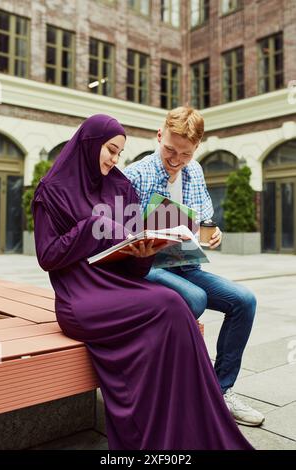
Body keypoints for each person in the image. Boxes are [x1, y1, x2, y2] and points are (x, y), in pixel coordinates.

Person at [32, 114, 253, 450]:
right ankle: (155, 427)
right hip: (79, 297)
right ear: (90, 144)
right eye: (110, 150)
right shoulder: (52, 191)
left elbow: (133, 267)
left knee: (177, 307)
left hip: (120, 284)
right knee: (172, 303)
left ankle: (194, 416)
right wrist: (89, 226)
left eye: (119, 153)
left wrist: (144, 251)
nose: (114, 159)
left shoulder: (118, 185)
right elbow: (48, 255)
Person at [123, 106, 265, 427]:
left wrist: (214, 234)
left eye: (184, 154)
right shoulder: (136, 174)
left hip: (186, 265)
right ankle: (187, 392)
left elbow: (204, 219)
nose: (175, 160)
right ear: (159, 136)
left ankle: (220, 391)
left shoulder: (196, 171)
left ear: (196, 149)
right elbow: (118, 237)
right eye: (169, 150)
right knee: (196, 299)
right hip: (147, 269)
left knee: (245, 301)